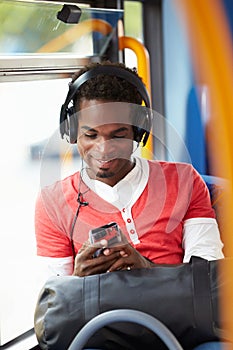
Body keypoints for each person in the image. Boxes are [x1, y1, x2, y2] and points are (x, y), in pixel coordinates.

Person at [35, 60, 224, 278]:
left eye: (118, 135)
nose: (104, 149)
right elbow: (54, 301)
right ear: (72, 129)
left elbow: (208, 278)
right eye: (90, 135)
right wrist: (77, 281)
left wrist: (147, 268)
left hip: (174, 312)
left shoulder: (184, 180)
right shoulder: (52, 201)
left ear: (138, 131)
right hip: (101, 313)